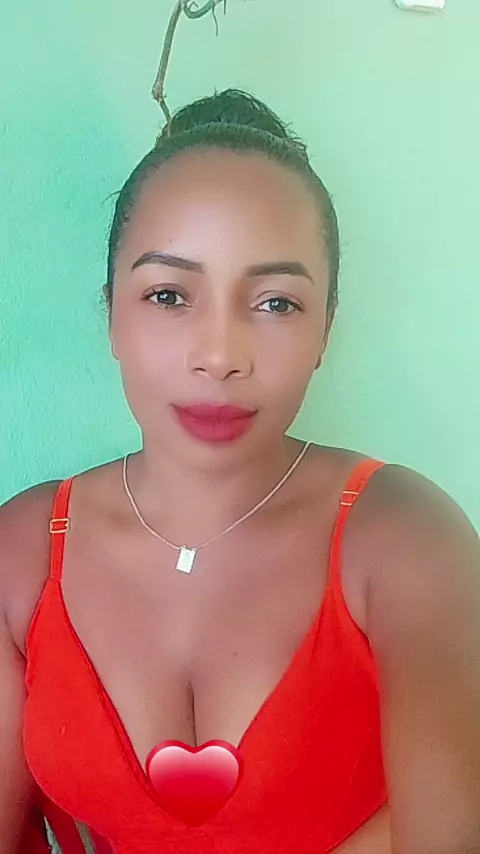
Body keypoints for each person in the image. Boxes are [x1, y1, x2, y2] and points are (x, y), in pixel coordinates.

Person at [1, 88, 480, 854]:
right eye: (168, 294)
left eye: (277, 303)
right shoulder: (23, 551)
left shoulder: (406, 537)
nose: (220, 356)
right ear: (111, 313)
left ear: (326, 328)